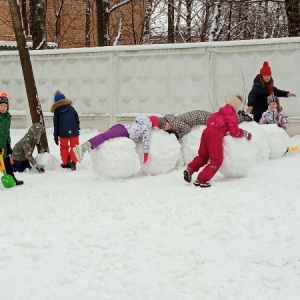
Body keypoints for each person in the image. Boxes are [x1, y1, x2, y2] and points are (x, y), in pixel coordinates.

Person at [183, 95, 252, 188]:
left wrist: (222, 131)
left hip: (206, 132)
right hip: (215, 135)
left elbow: (211, 123)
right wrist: (245, 133)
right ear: (236, 107)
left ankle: (190, 169)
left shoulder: (217, 113)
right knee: (216, 160)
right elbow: (234, 132)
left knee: (203, 156)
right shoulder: (231, 115)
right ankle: (202, 179)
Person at [73, 115, 160, 163]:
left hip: (120, 126)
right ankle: (82, 148)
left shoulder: (141, 120)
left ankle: (86, 148)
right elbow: (146, 142)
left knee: (103, 137)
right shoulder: (146, 129)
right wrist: (146, 155)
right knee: (103, 137)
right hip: (124, 131)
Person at [154, 109, 252, 140]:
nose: (166, 127)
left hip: (202, 118)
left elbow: (187, 128)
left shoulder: (174, 122)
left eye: (165, 124)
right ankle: (239, 115)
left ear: (167, 120)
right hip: (199, 115)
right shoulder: (172, 120)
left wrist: (178, 135)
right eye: (164, 127)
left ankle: (242, 117)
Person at [51, 90, 80, 170]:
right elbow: (76, 119)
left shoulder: (57, 112)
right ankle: (73, 162)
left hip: (63, 133)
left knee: (64, 147)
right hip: (73, 131)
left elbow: (56, 125)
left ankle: (66, 162)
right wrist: (77, 127)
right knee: (75, 146)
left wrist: (55, 136)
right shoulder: (71, 108)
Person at [0, 92, 24, 185]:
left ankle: (13, 179)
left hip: (4, 148)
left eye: (5, 106)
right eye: (1, 105)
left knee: (7, 165)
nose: (3, 108)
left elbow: (7, 132)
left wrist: (8, 145)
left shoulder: (7, 117)